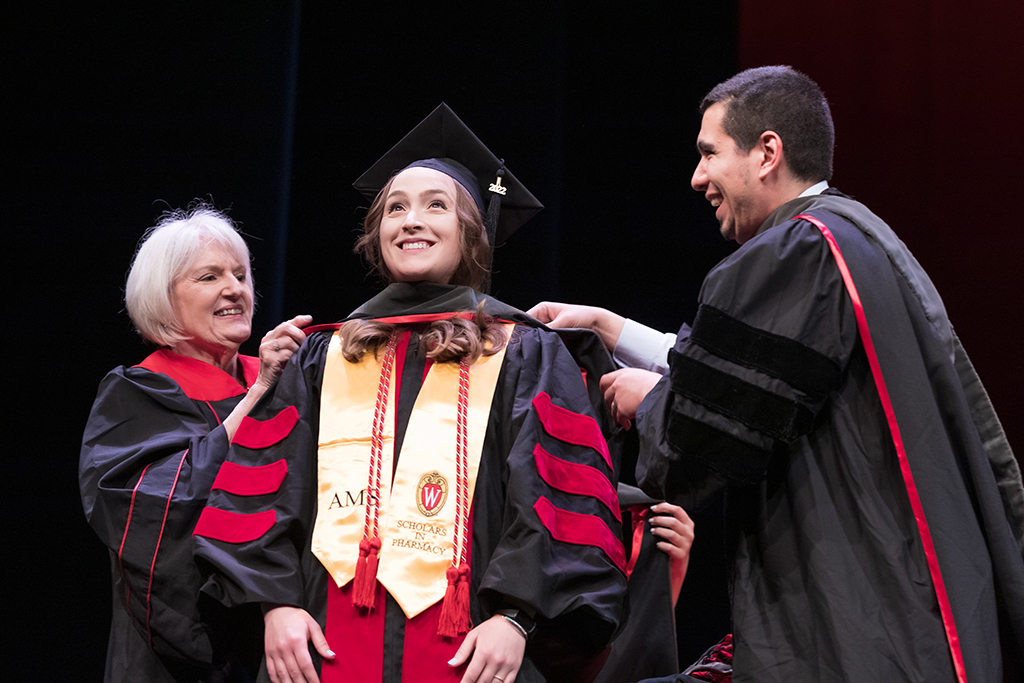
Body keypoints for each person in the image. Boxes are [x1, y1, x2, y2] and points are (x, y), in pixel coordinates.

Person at [530, 66, 1024, 681]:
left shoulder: (795, 251)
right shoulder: (857, 236)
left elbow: (706, 437)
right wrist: (613, 329)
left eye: (709, 154)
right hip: (914, 611)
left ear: (767, 153)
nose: (697, 177)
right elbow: (760, 374)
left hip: (856, 624)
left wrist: (656, 398)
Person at [193, 104, 626, 683]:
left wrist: (517, 619)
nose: (411, 221)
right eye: (395, 207)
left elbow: (559, 500)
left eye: (435, 205)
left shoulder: (521, 351)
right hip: (324, 646)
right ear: (376, 233)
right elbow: (265, 490)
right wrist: (275, 606)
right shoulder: (327, 354)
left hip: (475, 646)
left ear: (472, 232)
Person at [79, 204, 312, 683]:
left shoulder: (284, 380)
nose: (235, 288)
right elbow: (160, 510)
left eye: (241, 274)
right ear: (165, 301)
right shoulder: (136, 392)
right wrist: (260, 394)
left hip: (287, 641)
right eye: (209, 277)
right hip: (173, 662)